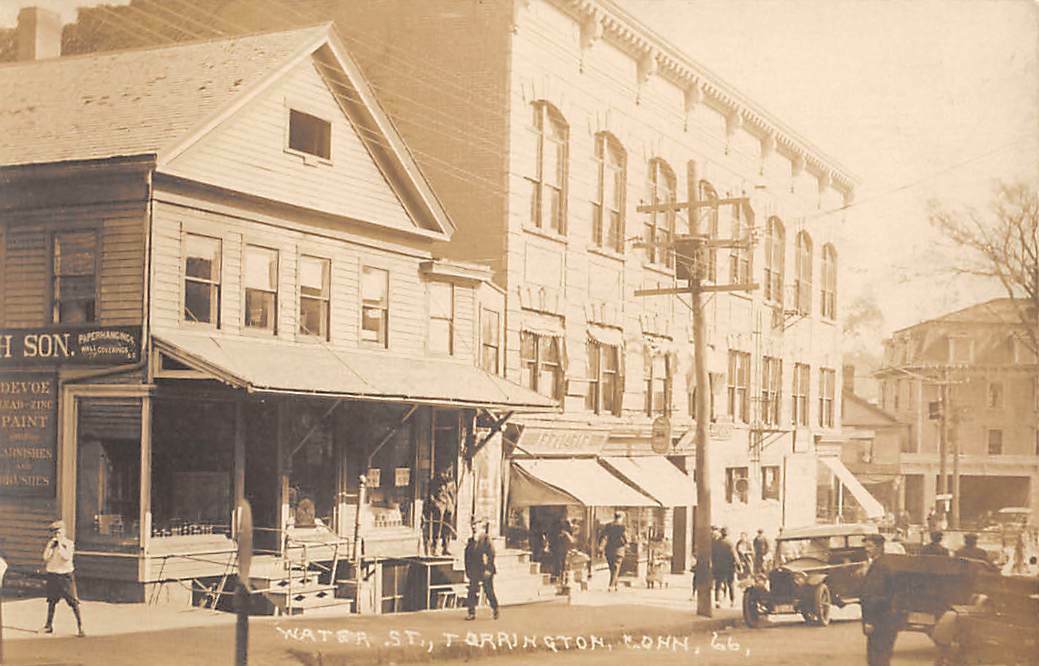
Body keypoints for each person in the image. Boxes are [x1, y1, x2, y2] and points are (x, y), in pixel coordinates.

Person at [42, 520, 85, 637]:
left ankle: (80, 626)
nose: (57, 535)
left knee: (73, 601)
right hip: (53, 574)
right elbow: (45, 557)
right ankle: (48, 626)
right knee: (51, 601)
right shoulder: (51, 543)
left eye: (59, 532)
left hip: (65, 575)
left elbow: (66, 557)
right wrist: (51, 547)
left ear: (64, 532)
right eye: (55, 533)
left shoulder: (69, 544)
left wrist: (60, 545)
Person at [861, 533, 898, 666]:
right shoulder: (880, 564)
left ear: (879, 547)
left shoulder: (881, 567)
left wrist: (870, 621)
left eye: (870, 546)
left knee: (877, 659)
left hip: (880, 622)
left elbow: (876, 596)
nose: (866, 549)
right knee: (880, 659)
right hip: (884, 621)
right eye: (866, 546)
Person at [464, 518, 499, 620]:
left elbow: (491, 555)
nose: (474, 527)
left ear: (481, 526)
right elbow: (467, 557)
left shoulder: (486, 539)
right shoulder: (471, 541)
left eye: (476, 525)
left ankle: (495, 608)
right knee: (472, 591)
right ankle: (471, 613)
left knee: (488, 590)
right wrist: (468, 571)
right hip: (474, 570)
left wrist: (489, 569)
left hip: (485, 569)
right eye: (472, 525)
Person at [598, 511, 627, 592]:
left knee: (612, 568)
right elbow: (626, 538)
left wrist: (601, 547)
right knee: (616, 568)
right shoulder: (622, 527)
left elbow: (604, 537)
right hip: (619, 550)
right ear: (621, 517)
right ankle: (611, 585)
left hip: (609, 550)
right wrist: (626, 543)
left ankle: (615, 584)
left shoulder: (608, 526)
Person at [711, 527, 736, 608]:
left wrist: (714, 564)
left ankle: (717, 601)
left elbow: (713, 555)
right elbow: (734, 555)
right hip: (729, 567)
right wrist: (738, 565)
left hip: (718, 566)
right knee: (730, 584)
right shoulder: (729, 543)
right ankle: (732, 601)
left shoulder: (716, 543)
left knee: (718, 584)